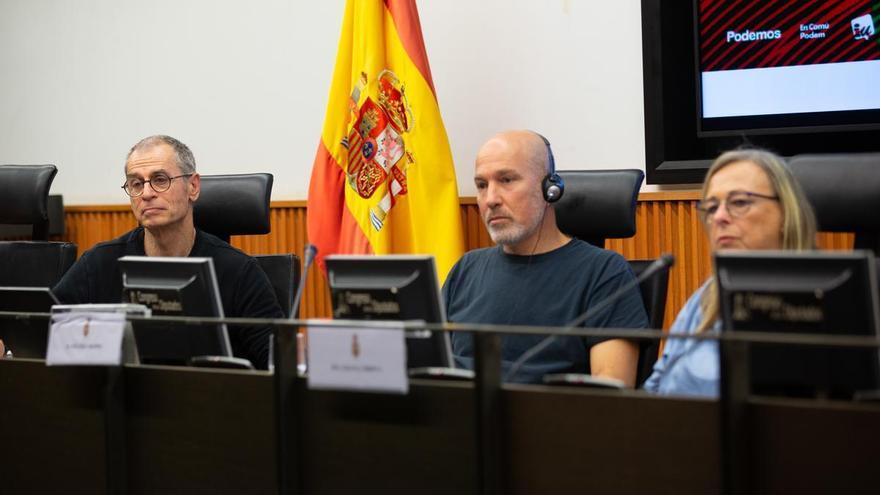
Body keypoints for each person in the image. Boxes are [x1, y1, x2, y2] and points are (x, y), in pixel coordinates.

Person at [52, 135, 283, 369]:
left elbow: (278, 362)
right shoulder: (100, 263)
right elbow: (46, 331)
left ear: (192, 187)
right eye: (136, 184)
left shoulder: (239, 271)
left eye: (160, 180)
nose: (147, 193)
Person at [442, 130, 648, 385]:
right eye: (482, 185)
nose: (491, 199)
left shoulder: (605, 273)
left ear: (550, 189)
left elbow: (610, 396)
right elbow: (428, 368)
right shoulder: (466, 270)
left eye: (506, 180)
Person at [643, 148, 817, 397]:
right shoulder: (707, 296)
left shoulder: (823, 299)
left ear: (786, 211)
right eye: (712, 207)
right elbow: (656, 386)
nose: (720, 217)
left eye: (739, 202)